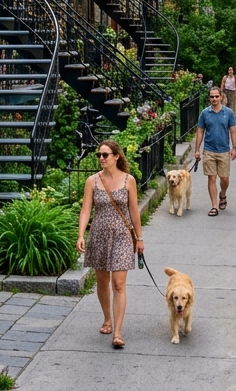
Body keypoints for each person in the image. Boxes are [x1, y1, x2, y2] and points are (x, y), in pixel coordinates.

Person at [76, 140, 143, 350]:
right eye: (99, 155)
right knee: (102, 281)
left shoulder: (128, 180)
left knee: (119, 284)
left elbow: (134, 210)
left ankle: (118, 332)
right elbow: (86, 209)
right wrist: (80, 234)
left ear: (116, 156)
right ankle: (107, 318)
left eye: (105, 155)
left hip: (123, 235)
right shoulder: (92, 181)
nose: (101, 158)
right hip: (99, 235)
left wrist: (139, 238)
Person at [194, 86, 236, 215]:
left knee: (224, 179)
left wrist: (234, 148)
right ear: (209, 98)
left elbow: (233, 131)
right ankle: (214, 206)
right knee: (211, 178)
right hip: (209, 150)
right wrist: (197, 150)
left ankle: (222, 194)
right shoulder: (205, 113)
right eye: (212, 97)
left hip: (224, 150)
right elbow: (200, 131)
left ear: (221, 97)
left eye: (216, 96)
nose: (214, 99)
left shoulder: (228, 113)